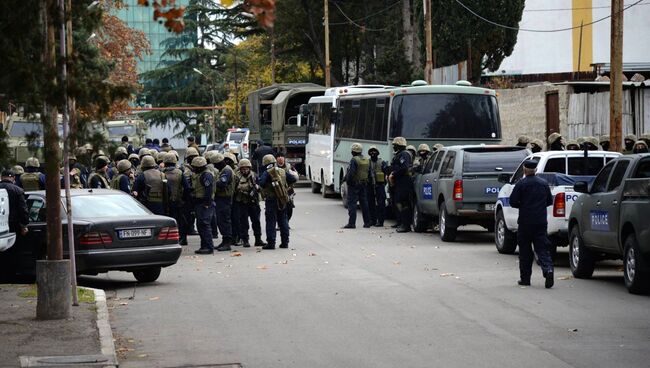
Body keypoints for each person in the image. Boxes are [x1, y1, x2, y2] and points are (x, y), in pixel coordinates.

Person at [508, 160, 554, 288]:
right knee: (542, 248)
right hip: (540, 221)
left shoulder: (521, 184)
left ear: (524, 170)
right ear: (535, 170)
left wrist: (523, 205)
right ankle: (548, 270)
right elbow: (549, 201)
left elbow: (512, 202)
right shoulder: (544, 184)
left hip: (525, 222)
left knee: (525, 252)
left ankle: (525, 279)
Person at [258, 154, 296, 249]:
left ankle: (271, 243)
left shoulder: (266, 172)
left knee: (271, 221)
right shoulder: (282, 171)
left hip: (271, 200)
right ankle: (285, 242)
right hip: (282, 198)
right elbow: (293, 179)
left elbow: (261, 183)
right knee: (283, 220)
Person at [0, 170, 30, 280]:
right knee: (12, 253)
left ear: (1, 177)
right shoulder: (18, 190)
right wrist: (24, 225)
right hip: (13, 226)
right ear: (13, 178)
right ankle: (10, 276)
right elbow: (23, 210)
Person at [233, 159, 265, 247]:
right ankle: (245, 240)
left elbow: (260, 186)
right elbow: (233, 190)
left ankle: (258, 239)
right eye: (243, 169)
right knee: (244, 223)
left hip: (253, 202)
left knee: (256, 222)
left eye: (246, 168)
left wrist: (257, 189)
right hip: (242, 202)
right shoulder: (236, 177)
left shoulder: (254, 175)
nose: (245, 170)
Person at [162, 152, 190, 245]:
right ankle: (182, 238)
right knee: (180, 220)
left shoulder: (162, 172)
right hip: (178, 200)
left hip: (165, 201)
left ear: (164, 162)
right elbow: (186, 187)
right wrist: (185, 200)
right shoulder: (180, 173)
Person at [189, 156, 215, 254]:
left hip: (205, 203)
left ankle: (208, 247)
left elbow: (208, 190)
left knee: (204, 224)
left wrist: (207, 203)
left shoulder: (206, 175)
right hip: (199, 202)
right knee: (200, 225)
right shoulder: (199, 174)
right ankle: (204, 246)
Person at [343, 143, 371, 229]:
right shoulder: (366, 159)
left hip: (354, 185)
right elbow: (369, 172)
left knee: (352, 204)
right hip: (364, 184)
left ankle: (352, 223)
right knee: (364, 204)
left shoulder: (354, 160)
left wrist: (348, 181)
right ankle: (367, 222)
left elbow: (351, 173)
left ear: (353, 152)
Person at [212, 153, 235, 251]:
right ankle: (224, 240)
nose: (214, 166)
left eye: (215, 164)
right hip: (221, 198)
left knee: (224, 220)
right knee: (220, 220)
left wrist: (212, 182)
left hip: (224, 198)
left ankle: (227, 242)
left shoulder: (226, 171)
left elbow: (222, 183)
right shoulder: (223, 170)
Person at [389, 137, 413, 233]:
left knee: (403, 203)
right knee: (398, 202)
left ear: (398, 145)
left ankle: (405, 225)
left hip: (404, 182)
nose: (393, 147)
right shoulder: (399, 154)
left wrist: (393, 174)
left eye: (394, 145)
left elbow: (404, 168)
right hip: (399, 182)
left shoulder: (404, 154)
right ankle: (400, 222)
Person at [367, 146, 388, 227]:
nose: (373, 153)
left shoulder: (382, 162)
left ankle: (380, 221)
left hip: (380, 185)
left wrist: (383, 183)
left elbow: (386, 173)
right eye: (371, 152)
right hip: (370, 186)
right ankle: (373, 220)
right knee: (370, 204)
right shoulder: (367, 162)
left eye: (374, 151)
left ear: (377, 153)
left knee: (381, 204)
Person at [276, 152, 299, 224]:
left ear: (284, 158)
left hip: (288, 190)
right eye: (278, 156)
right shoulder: (273, 168)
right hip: (277, 191)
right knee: (278, 208)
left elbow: (296, 177)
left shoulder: (289, 167)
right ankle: (280, 224)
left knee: (289, 208)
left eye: (281, 156)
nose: (280, 158)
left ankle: (286, 222)